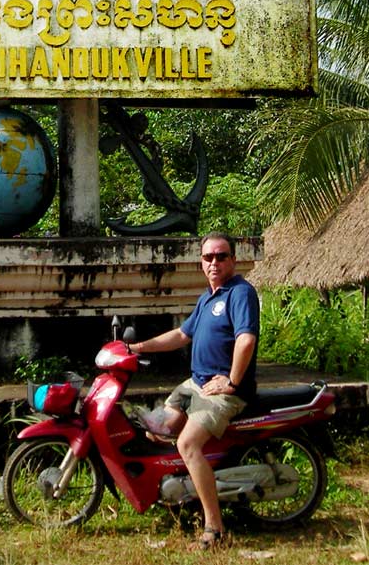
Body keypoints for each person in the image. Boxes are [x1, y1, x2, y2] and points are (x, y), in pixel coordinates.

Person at [129, 231, 259, 550]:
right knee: (155, 428)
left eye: (221, 256)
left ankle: (214, 527)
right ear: (201, 262)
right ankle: (182, 491)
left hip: (223, 392)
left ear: (234, 260)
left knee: (187, 443)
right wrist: (136, 347)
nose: (214, 262)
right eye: (208, 257)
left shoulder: (240, 293)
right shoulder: (207, 298)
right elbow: (181, 335)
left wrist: (231, 381)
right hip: (195, 385)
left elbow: (246, 340)